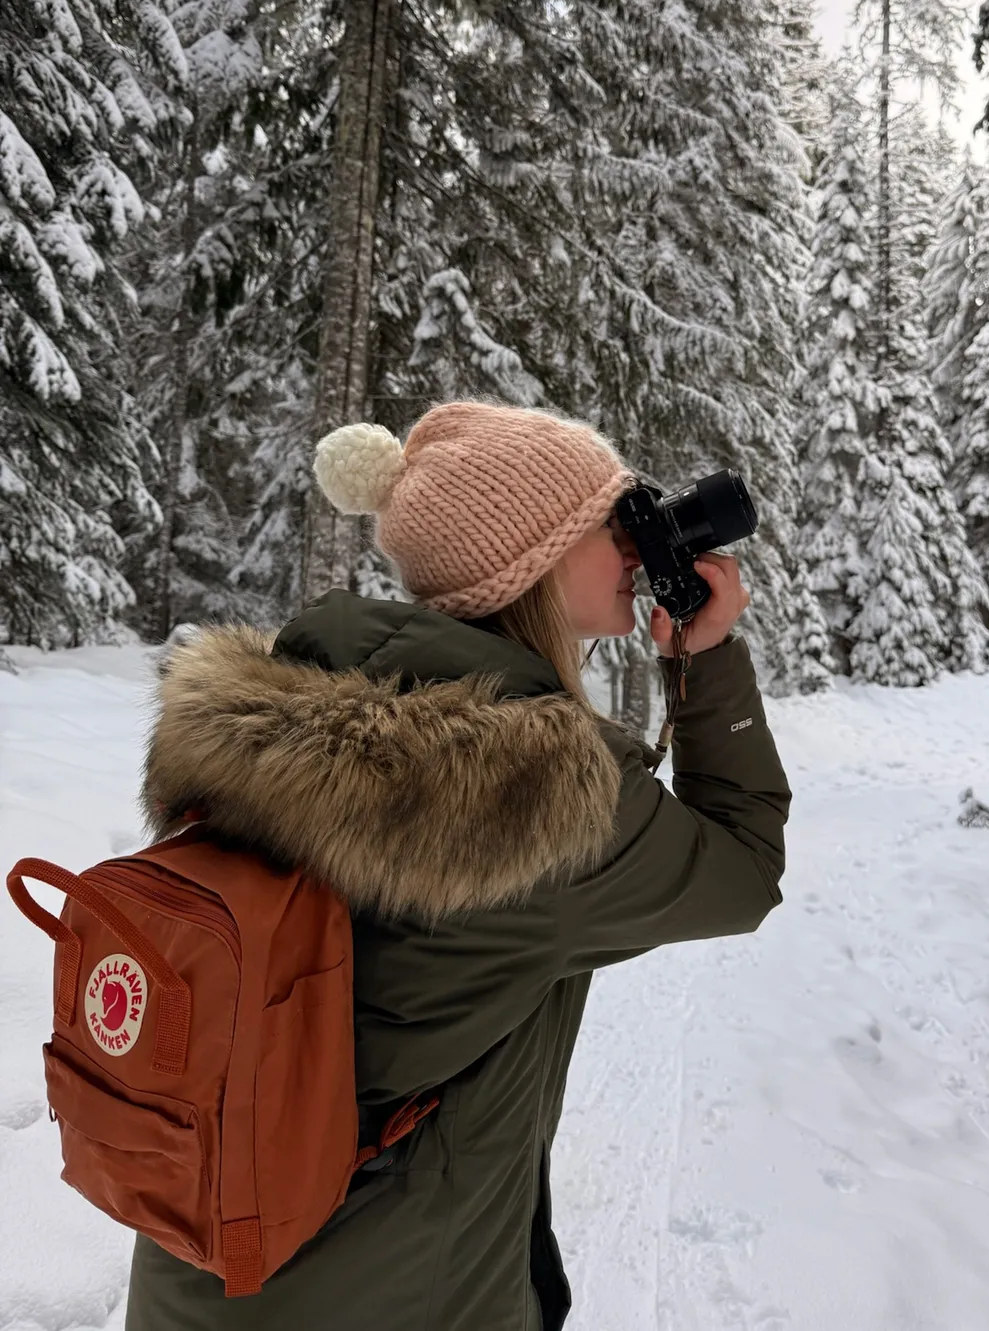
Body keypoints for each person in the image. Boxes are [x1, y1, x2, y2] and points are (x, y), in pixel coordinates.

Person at [126, 400, 791, 1331]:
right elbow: (745, 868)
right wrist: (706, 659)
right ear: (536, 559)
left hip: (199, 1270)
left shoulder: (284, 714)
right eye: (611, 522)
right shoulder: (542, 795)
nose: (635, 547)